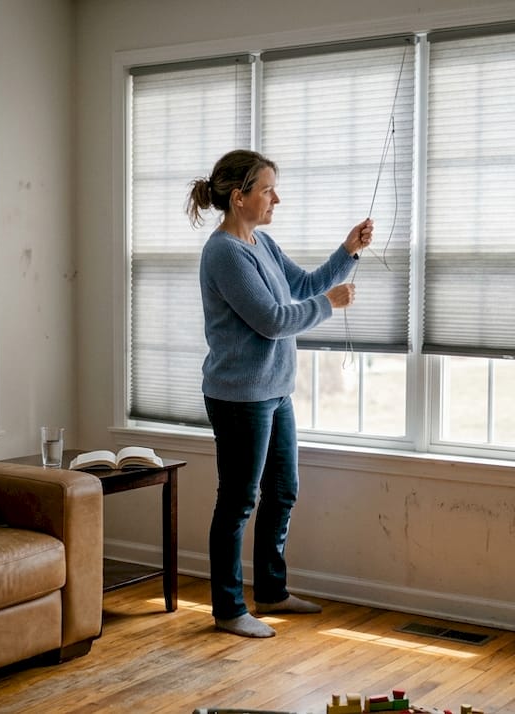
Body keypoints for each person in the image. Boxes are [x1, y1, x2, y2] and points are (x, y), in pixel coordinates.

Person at [186, 149, 373, 638]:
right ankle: (228, 609)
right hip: (239, 396)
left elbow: (303, 284)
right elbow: (271, 319)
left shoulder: (261, 243)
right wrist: (329, 305)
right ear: (239, 196)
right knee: (238, 502)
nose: (277, 199)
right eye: (268, 189)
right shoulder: (224, 253)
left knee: (283, 491)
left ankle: (271, 590)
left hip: (275, 391)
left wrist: (347, 251)